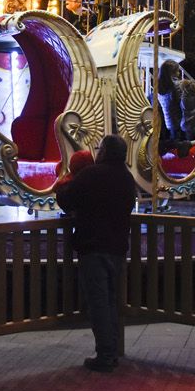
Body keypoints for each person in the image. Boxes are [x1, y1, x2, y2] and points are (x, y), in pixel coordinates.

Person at [56, 135, 138, 373]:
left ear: (105, 152)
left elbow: (66, 198)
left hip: (94, 246)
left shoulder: (91, 175)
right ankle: (111, 350)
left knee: (98, 302)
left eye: (100, 148)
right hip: (118, 247)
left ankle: (105, 354)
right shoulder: (127, 179)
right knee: (111, 300)